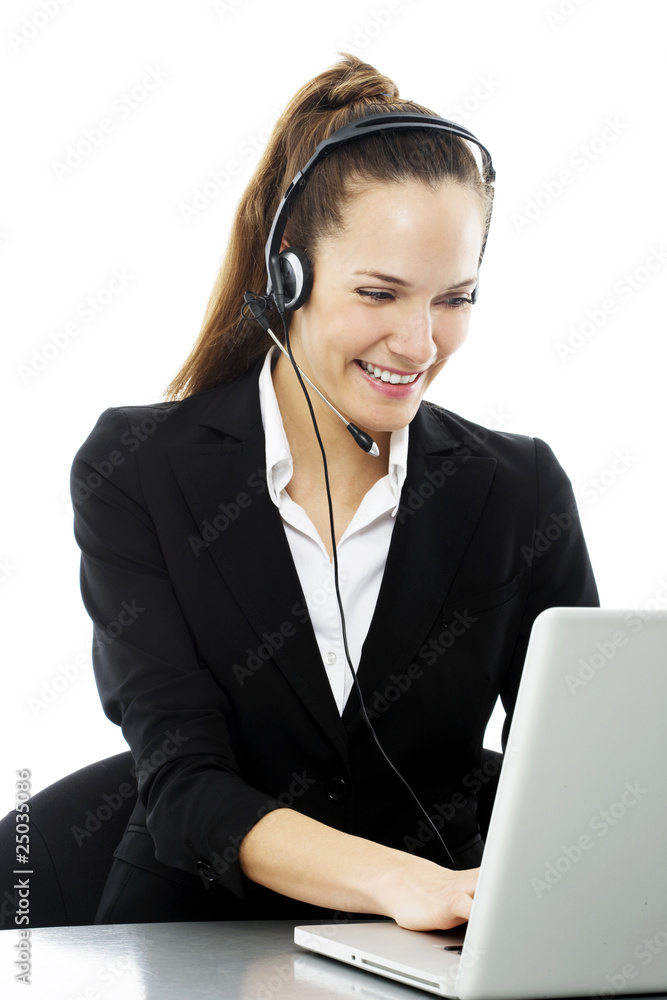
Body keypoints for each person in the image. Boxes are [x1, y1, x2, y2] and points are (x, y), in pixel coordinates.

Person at [71, 53, 599, 930]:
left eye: (455, 299)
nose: (420, 344)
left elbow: (575, 773)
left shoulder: (519, 490)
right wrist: (405, 884)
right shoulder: (139, 469)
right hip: (197, 940)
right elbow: (184, 784)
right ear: (289, 277)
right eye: (379, 293)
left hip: (439, 953)